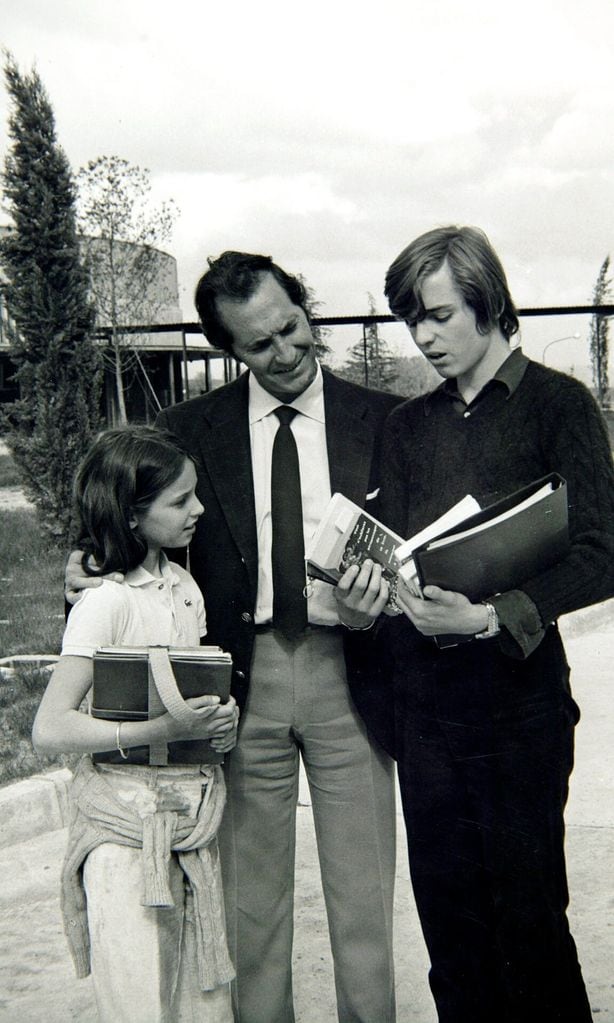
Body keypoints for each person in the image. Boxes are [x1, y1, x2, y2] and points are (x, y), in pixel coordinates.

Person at [65, 252, 401, 1023]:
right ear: (228, 349)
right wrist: (86, 557)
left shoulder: (383, 421)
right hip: (240, 683)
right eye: (258, 345)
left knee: (363, 897)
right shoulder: (187, 430)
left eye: (291, 328)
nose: (284, 353)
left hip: (352, 673)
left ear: (306, 307)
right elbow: (129, 509)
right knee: (249, 901)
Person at [337, 225, 614, 1023]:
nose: (422, 337)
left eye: (437, 315)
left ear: (488, 302)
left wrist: (496, 616)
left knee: (529, 932)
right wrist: (366, 595)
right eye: (409, 321)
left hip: (520, 710)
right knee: (452, 940)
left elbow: (602, 549)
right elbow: (397, 554)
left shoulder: (560, 405)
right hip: (426, 715)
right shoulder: (406, 426)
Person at [35, 425, 238, 1023]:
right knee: (140, 1001)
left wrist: (218, 724)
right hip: (123, 836)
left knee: (203, 1002)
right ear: (130, 516)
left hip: (185, 822)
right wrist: (150, 734)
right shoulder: (106, 602)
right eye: (180, 501)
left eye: (194, 494)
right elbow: (50, 727)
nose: (199, 509)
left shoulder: (183, 588)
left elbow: (195, 696)